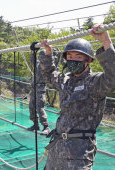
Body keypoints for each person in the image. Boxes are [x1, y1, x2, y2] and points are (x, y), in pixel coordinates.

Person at [39, 24, 115, 169]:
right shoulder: (65, 80)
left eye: (78, 57)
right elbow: (49, 76)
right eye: (70, 56)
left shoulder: (95, 82)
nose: (73, 60)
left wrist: (106, 42)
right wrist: (48, 53)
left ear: (88, 60)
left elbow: (113, 77)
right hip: (57, 147)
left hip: (79, 152)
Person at [28, 49, 51, 135]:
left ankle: (46, 126)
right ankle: (35, 124)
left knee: (39, 107)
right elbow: (32, 60)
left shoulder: (47, 66)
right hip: (34, 88)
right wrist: (33, 52)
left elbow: (53, 62)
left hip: (41, 88)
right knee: (31, 106)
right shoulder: (38, 64)